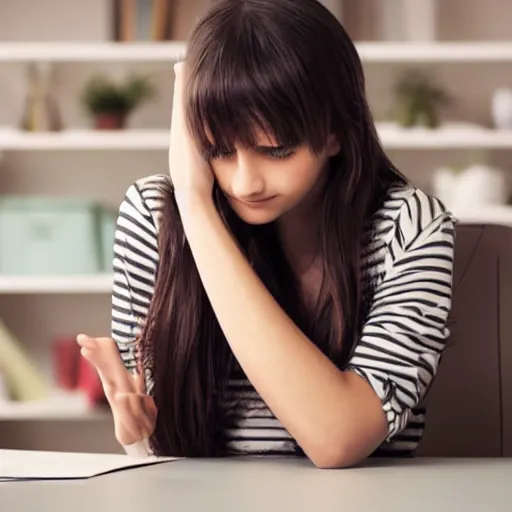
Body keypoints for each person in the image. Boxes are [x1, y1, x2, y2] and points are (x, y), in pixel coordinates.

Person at [77, 0, 456, 469]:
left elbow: (338, 438)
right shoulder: (155, 218)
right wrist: (137, 438)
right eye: (217, 149)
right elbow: (159, 455)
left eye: (275, 150)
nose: (244, 183)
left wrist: (198, 208)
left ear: (336, 130)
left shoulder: (410, 229)